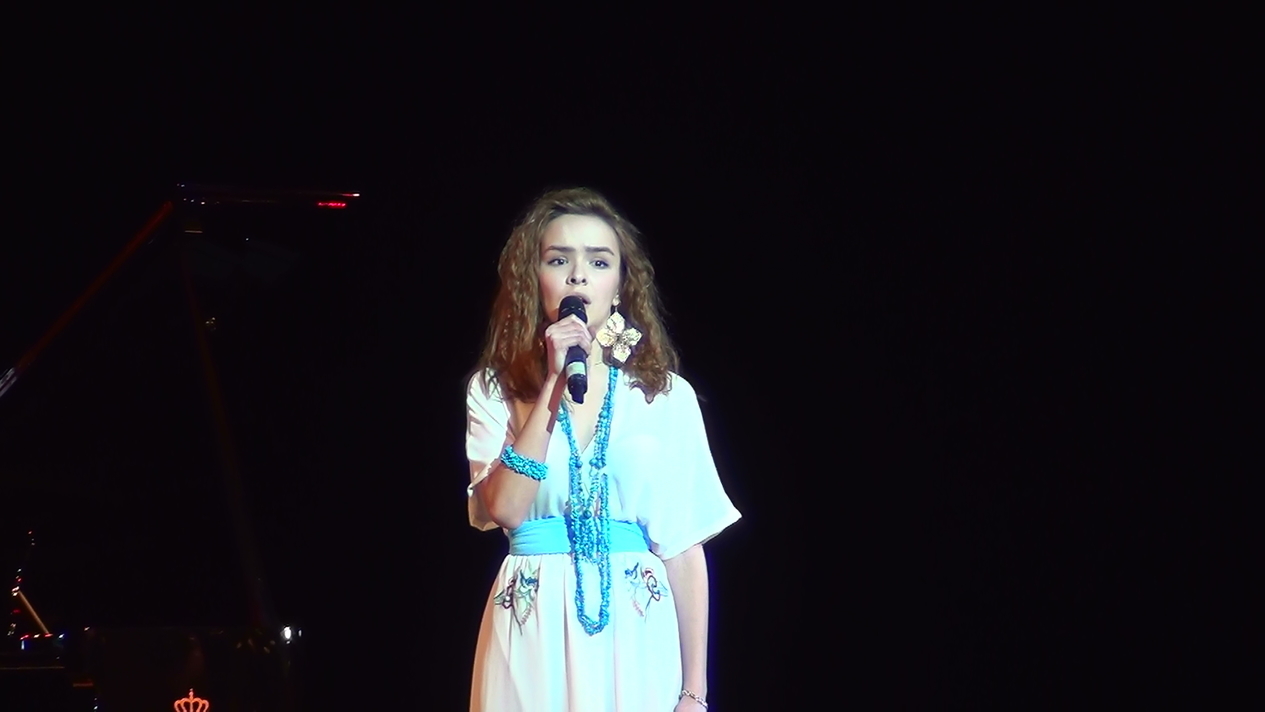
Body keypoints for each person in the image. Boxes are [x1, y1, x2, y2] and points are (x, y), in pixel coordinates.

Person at [464, 187, 742, 711]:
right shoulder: (495, 388)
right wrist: (552, 383)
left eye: (598, 261)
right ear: (534, 278)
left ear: (618, 286)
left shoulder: (664, 395)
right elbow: (505, 508)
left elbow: (683, 549)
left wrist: (694, 692)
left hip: (636, 628)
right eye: (558, 260)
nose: (578, 276)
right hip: (532, 624)